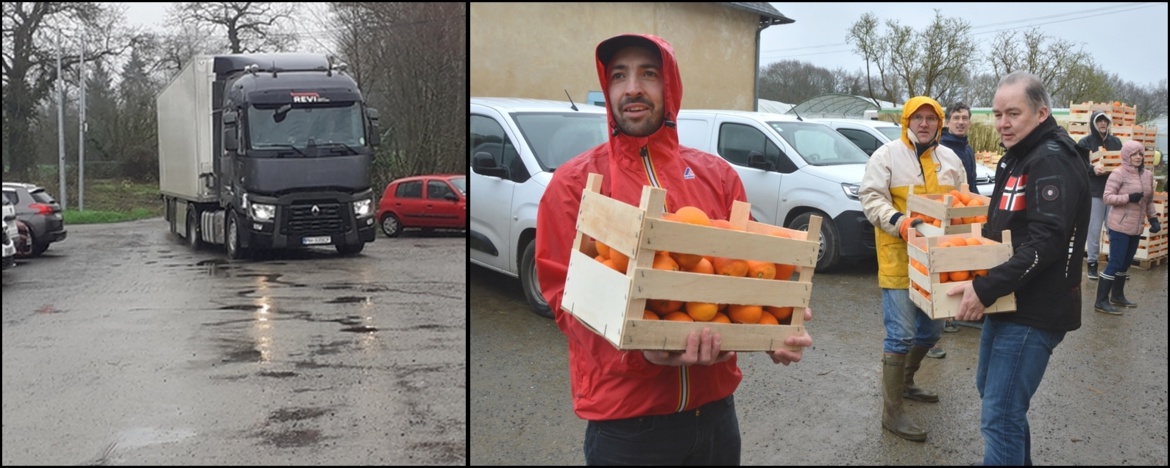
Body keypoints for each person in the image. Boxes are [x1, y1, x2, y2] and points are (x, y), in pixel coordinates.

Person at [532, 33, 814, 465]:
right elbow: (563, 301)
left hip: (717, 418)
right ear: (607, 89)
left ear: (671, 86)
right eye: (619, 75)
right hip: (628, 427)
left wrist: (777, 322)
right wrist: (641, 352)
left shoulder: (718, 177)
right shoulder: (573, 185)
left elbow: (752, 271)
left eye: (649, 73)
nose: (632, 88)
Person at [948, 71, 1090, 466]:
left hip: (1035, 309)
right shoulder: (1024, 155)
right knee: (993, 396)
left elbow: (1046, 241)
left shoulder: (1051, 160)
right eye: (997, 114)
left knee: (1000, 415)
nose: (1003, 123)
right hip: (1009, 302)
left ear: (1042, 113)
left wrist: (986, 287)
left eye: (1013, 113)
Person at [859, 96, 967, 442]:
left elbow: (964, 199)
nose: (924, 123)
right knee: (901, 334)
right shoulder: (887, 155)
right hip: (899, 256)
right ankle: (892, 414)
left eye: (930, 118)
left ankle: (906, 382)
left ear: (939, 123)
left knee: (932, 331)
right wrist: (899, 222)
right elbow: (871, 196)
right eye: (917, 118)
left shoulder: (950, 158)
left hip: (939, 261)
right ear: (907, 122)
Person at [1094, 140, 1160, 314]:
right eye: (1134, 154)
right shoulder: (1118, 174)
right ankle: (1101, 301)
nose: (1138, 157)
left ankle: (1117, 296)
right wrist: (1128, 197)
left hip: (1136, 227)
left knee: (1126, 262)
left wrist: (1153, 219)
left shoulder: (1147, 175)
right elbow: (1107, 197)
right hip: (1119, 225)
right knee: (1115, 262)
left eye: (1140, 154)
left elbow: (1149, 201)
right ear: (1126, 156)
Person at [937, 102, 978, 339]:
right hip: (949, 213)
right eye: (956, 118)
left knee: (962, 262)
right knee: (949, 263)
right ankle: (947, 315)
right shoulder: (943, 148)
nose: (961, 122)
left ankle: (958, 310)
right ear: (947, 122)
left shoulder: (966, 148)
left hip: (966, 211)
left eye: (964, 118)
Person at [1074, 111, 1123, 280]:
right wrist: (1093, 169)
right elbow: (1079, 164)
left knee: (1114, 229)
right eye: (1099, 121)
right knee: (1094, 230)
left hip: (1113, 191)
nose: (1102, 124)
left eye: (1105, 121)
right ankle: (1092, 264)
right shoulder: (1085, 142)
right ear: (1093, 123)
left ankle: (1115, 264)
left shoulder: (1115, 142)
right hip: (1094, 192)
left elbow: (1121, 162)